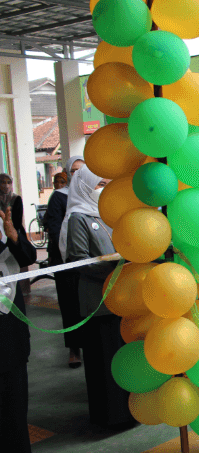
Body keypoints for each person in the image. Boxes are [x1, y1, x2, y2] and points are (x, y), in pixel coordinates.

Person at [62, 166, 134, 428]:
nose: (104, 189)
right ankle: (109, 417)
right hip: (98, 302)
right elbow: (78, 260)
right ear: (84, 187)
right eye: (99, 184)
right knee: (103, 360)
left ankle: (127, 412)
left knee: (122, 358)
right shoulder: (78, 218)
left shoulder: (110, 214)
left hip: (120, 299)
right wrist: (115, 269)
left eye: (107, 184)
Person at [0, 202, 48, 453]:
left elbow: (28, 257)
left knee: (16, 395)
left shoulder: (6, 225)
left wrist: (13, 235)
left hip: (11, 322)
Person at [50, 157, 86, 369]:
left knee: (87, 304)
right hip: (66, 261)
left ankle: (89, 344)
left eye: (82, 170)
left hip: (88, 260)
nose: (78, 174)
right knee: (70, 306)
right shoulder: (59, 197)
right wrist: (70, 253)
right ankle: (74, 349)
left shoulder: (91, 192)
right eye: (73, 170)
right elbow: (55, 230)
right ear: (67, 173)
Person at [44, 171, 68, 266]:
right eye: (56, 182)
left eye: (62, 182)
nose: (59, 185)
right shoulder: (55, 196)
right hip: (56, 240)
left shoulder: (69, 196)